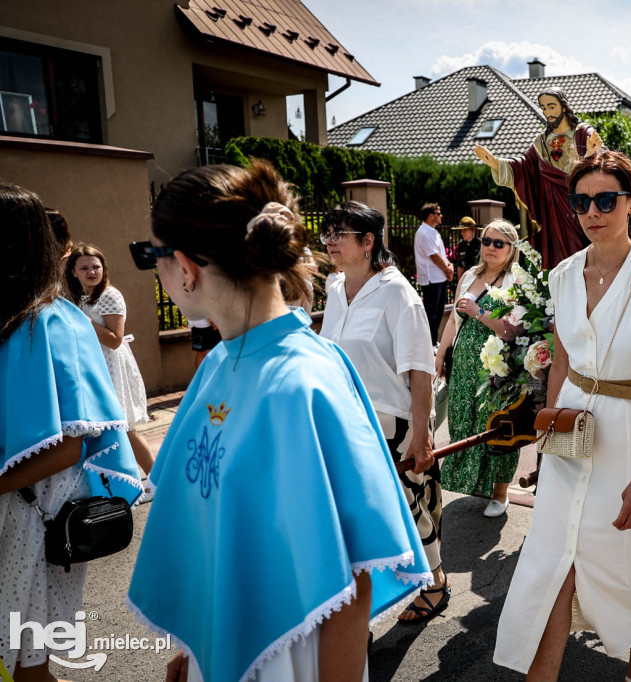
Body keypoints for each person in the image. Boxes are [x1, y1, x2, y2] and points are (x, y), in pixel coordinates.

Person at [126, 162, 431, 682]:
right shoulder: (220, 363)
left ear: (183, 266)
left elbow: (351, 581)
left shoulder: (304, 381)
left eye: (149, 257)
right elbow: (215, 528)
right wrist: (197, 645)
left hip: (290, 660)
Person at [494, 150, 631, 682]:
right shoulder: (561, 275)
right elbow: (561, 360)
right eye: (580, 201)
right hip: (572, 440)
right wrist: (549, 434)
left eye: (606, 199)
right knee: (552, 565)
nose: (591, 211)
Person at [1, 182, 142, 682]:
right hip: (20, 513)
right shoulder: (20, 316)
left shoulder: (55, 321)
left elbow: (67, 447)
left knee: (27, 667)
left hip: (34, 516)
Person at [318, 201, 449, 625]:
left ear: (368, 241)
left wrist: (422, 434)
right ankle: (370, 591)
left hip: (392, 418)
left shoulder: (398, 293)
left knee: (406, 504)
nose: (330, 241)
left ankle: (435, 581)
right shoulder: (335, 288)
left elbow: (420, 368)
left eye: (339, 234)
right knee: (359, 511)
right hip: (346, 418)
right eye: (328, 233)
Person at [435, 219, 519, 517]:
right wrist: (441, 354)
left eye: (499, 243)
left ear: (512, 248)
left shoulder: (516, 280)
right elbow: (454, 319)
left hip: (496, 367)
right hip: (464, 363)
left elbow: (512, 330)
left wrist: (480, 312)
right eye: (487, 241)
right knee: (463, 420)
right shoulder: (469, 275)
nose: (491, 248)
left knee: (496, 426)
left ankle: (500, 493)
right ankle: (473, 481)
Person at [66, 243, 157, 503]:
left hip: (112, 366)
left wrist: (84, 323)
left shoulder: (109, 295)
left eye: (96, 266)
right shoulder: (82, 297)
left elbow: (115, 339)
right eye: (84, 267)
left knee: (125, 426)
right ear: (74, 272)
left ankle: (155, 478)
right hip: (95, 367)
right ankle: (115, 483)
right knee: (106, 428)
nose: (91, 271)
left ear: (103, 268)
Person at [474, 86, 601, 268]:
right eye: (543, 107)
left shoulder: (582, 133)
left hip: (578, 206)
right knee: (556, 261)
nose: (547, 112)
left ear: (564, 106)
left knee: (581, 254)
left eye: (552, 106)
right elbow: (523, 167)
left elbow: (602, 162)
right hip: (549, 213)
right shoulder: (541, 142)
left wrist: (592, 154)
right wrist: (496, 163)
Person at [414, 202, 453, 345]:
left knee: (439, 311)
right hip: (431, 280)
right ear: (431, 216)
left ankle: (434, 341)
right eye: (438, 213)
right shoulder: (423, 232)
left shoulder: (434, 232)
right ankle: (428, 343)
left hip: (440, 278)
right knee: (431, 313)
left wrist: (450, 266)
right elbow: (434, 256)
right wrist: (448, 269)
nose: (441, 216)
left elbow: (442, 254)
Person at [453, 216, 481, 280]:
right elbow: (460, 266)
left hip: (477, 277)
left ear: (473, 230)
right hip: (465, 277)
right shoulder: (461, 245)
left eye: (465, 230)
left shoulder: (480, 244)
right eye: (461, 230)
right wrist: (459, 282)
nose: (463, 233)